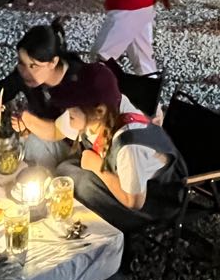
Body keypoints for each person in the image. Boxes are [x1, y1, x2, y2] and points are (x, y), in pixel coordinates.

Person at [0, 21, 126, 168]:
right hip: (49, 135)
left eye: (33, 66)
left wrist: (30, 121)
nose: (25, 72)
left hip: (82, 145)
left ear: (53, 62)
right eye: (21, 63)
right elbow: (0, 91)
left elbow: (62, 129)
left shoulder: (79, 80)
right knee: (27, 146)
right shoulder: (24, 75)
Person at [60, 99, 186, 234]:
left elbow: (134, 202)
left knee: (79, 183)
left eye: (72, 113)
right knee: (66, 170)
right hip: (132, 178)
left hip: (156, 201)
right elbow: (56, 128)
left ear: (99, 111)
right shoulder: (111, 107)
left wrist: (98, 167)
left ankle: (108, 237)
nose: (66, 113)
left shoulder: (128, 146)